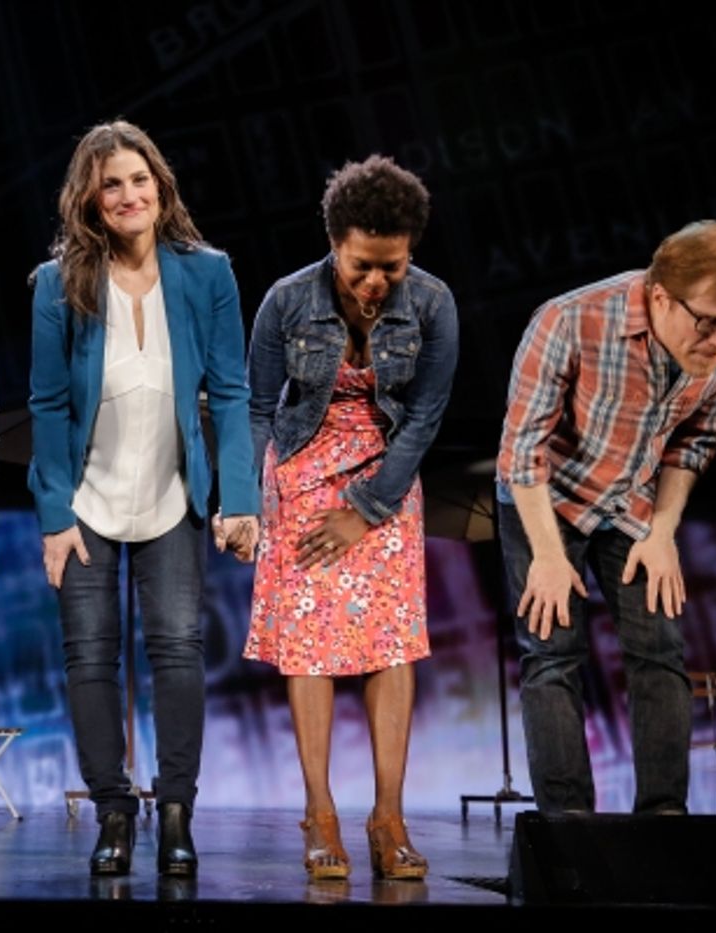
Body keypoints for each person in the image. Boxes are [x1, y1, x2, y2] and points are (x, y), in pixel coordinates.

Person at [28, 119, 259, 878]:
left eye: (138, 179)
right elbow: (49, 406)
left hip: (172, 493)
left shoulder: (207, 272)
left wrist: (239, 499)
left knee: (178, 650)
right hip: (88, 499)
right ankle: (114, 812)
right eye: (111, 184)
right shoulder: (57, 284)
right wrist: (56, 516)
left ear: (159, 186)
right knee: (91, 657)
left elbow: (229, 393)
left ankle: (176, 811)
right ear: (90, 201)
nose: (128, 195)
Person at [496, 220, 716, 814]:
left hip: (633, 500)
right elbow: (522, 452)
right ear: (662, 297)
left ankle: (664, 819)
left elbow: (695, 442)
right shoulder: (569, 321)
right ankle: (568, 826)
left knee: (661, 649)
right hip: (547, 496)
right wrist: (546, 553)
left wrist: (663, 530)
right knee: (552, 650)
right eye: (711, 323)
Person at [243, 155, 457, 881]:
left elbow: (425, 414)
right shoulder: (286, 300)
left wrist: (369, 508)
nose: (375, 282)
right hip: (303, 466)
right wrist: (244, 500)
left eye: (390, 267)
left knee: (391, 641)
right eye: (363, 265)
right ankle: (320, 811)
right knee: (311, 644)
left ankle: (388, 814)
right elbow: (255, 406)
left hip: (389, 473)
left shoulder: (432, 304)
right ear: (335, 242)